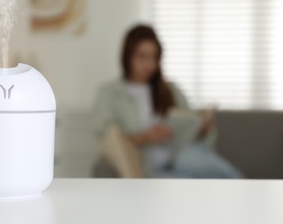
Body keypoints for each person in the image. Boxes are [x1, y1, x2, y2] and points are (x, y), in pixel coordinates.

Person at [93, 24, 242, 178]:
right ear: (127, 55)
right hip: (150, 167)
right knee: (187, 180)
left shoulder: (171, 89)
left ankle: (244, 187)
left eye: (154, 57)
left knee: (195, 162)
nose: (149, 64)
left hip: (181, 155)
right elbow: (108, 139)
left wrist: (201, 129)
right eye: (142, 56)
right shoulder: (109, 93)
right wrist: (146, 137)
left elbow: (189, 124)